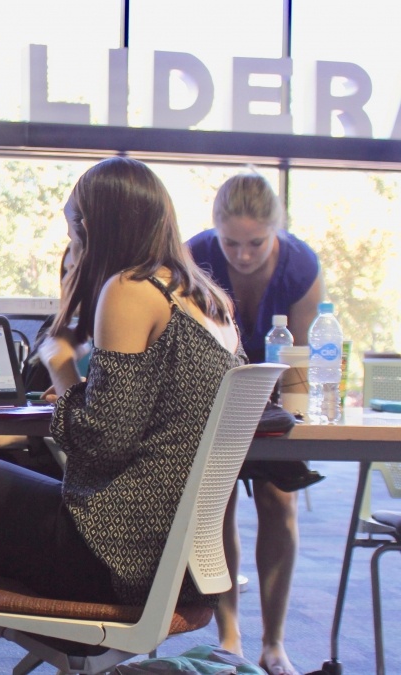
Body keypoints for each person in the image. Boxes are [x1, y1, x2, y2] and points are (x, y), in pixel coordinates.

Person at [0, 156, 243, 675]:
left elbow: (102, 442)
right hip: (172, 562)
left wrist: (63, 372)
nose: (71, 242)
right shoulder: (209, 303)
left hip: (111, 555)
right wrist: (79, 397)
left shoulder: (131, 288)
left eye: (74, 228)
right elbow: (144, 419)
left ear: (93, 226)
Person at [188, 171, 324, 675]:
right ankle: (231, 635)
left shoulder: (299, 266)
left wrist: (297, 423)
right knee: (217, 504)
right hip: (214, 399)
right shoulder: (192, 257)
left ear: (276, 232)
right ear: (214, 232)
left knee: (277, 501)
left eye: (255, 243)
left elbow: (301, 365)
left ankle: (275, 643)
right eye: (231, 243)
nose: (242, 256)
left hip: (274, 400)